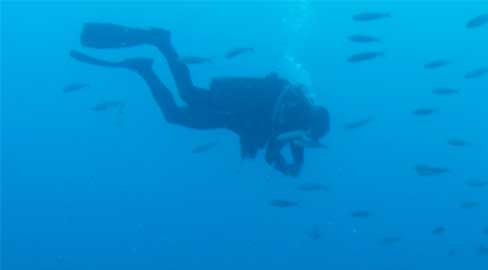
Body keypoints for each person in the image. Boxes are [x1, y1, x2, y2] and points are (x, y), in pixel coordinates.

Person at [70, 23, 328, 176]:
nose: (304, 140)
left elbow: (286, 145)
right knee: (175, 112)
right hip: (231, 112)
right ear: (309, 124)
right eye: (309, 135)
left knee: (187, 95)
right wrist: (288, 168)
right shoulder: (294, 116)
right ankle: (149, 62)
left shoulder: (296, 118)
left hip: (232, 109)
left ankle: (160, 48)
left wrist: (294, 164)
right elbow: (273, 152)